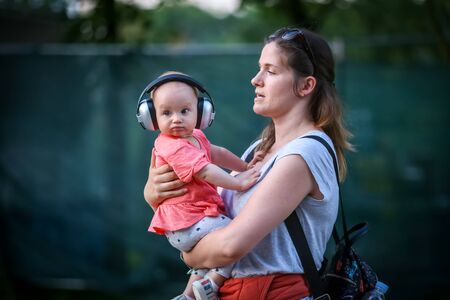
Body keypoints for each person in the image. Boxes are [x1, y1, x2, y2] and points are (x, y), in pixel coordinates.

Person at [144, 27, 354, 299]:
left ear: (306, 85)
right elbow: (205, 216)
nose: (256, 80)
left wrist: (189, 254)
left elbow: (230, 246)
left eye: (271, 71)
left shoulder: (305, 153)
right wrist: (153, 195)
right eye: (259, 68)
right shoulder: (259, 149)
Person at [143, 71, 264, 300]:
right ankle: (212, 283)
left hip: (191, 222)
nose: (176, 118)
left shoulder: (196, 136)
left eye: (184, 111)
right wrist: (238, 183)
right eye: (166, 113)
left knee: (209, 257)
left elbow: (218, 154)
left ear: (201, 112)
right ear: (152, 117)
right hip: (188, 223)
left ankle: (187, 295)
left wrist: (245, 167)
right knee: (235, 236)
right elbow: (206, 171)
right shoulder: (173, 146)